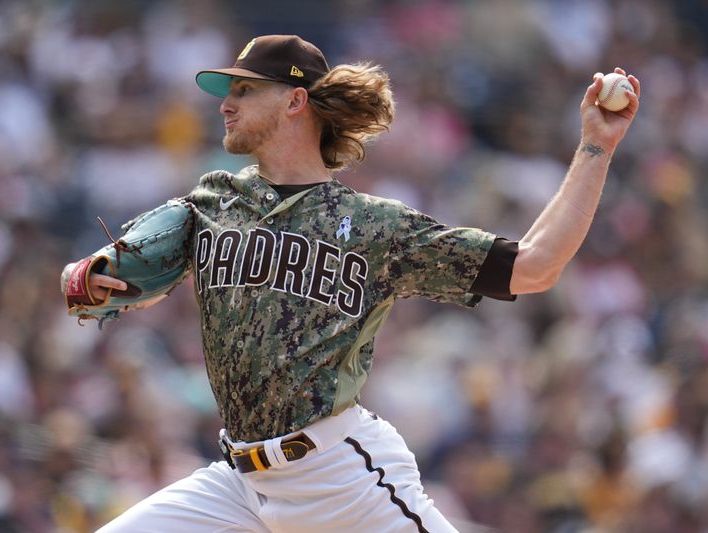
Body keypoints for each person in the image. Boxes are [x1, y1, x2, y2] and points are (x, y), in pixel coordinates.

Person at [68, 34, 640, 532]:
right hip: (237, 483)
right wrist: (95, 281)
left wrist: (596, 145)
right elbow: (127, 267)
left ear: (295, 101)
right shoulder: (211, 202)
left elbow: (535, 265)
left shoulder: (374, 226)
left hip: (338, 476)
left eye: (244, 90)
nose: (226, 104)